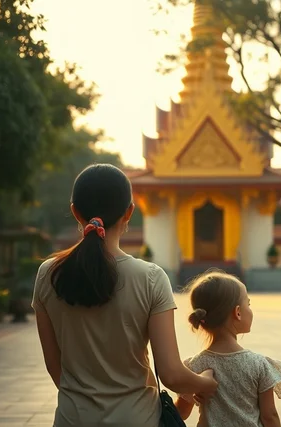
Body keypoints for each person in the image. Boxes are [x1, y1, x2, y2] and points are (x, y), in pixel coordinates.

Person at [32, 164, 217, 427]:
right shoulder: (150, 278)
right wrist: (207, 383)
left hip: (72, 419)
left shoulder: (48, 274)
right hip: (138, 419)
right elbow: (172, 374)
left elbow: (55, 367)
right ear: (129, 211)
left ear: (75, 211)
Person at [175, 270, 281, 427]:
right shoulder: (258, 364)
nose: (250, 309)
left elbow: (181, 412)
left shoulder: (194, 366)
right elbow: (269, 416)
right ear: (237, 312)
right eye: (248, 304)